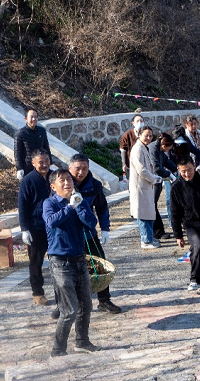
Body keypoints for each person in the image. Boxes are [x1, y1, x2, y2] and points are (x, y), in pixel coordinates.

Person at [44, 169, 100, 357]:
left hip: (80, 260)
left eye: (69, 179)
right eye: (62, 180)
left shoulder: (78, 201)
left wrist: (80, 206)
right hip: (61, 263)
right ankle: (58, 349)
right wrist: (70, 207)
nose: (68, 183)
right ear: (53, 186)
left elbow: (91, 223)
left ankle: (82, 342)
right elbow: (51, 222)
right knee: (69, 310)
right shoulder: (50, 203)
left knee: (86, 305)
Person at [68, 153, 122, 314]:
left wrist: (105, 229)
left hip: (88, 233)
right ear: (70, 168)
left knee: (100, 265)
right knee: (67, 270)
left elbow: (102, 208)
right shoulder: (63, 183)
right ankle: (64, 304)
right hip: (69, 235)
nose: (81, 172)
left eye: (84, 168)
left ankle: (104, 299)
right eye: (77, 168)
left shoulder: (95, 185)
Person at [171, 157, 200, 293]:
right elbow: (174, 213)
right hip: (191, 223)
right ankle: (195, 279)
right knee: (197, 246)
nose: (187, 174)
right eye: (183, 171)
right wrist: (178, 235)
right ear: (178, 170)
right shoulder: (176, 187)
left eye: (190, 170)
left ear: (194, 166)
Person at [18, 149, 52, 305]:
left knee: (59, 259)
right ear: (33, 163)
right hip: (36, 227)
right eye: (40, 162)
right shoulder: (28, 181)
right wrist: (25, 229)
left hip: (54, 225)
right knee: (36, 261)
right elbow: (22, 206)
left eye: (47, 161)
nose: (44, 165)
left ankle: (63, 290)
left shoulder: (55, 177)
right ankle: (37, 292)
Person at [129, 126, 163, 249]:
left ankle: (149, 237)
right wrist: (154, 178)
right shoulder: (137, 149)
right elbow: (141, 170)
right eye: (146, 135)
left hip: (146, 186)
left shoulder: (143, 147)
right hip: (140, 186)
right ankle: (145, 240)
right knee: (143, 214)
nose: (148, 138)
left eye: (150, 136)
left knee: (148, 213)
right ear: (139, 134)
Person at [151, 132, 178, 240]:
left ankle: (158, 232)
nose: (169, 150)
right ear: (164, 146)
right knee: (152, 205)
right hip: (152, 180)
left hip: (157, 180)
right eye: (169, 148)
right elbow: (156, 167)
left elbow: (166, 161)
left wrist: (176, 169)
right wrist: (169, 174)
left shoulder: (160, 149)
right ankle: (156, 232)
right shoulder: (153, 149)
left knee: (153, 205)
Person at [14, 108, 51, 179]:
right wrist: (19, 168)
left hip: (41, 165)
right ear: (26, 118)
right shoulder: (20, 133)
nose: (34, 119)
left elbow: (46, 148)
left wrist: (50, 162)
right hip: (28, 167)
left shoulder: (42, 131)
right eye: (31, 117)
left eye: (35, 117)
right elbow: (17, 153)